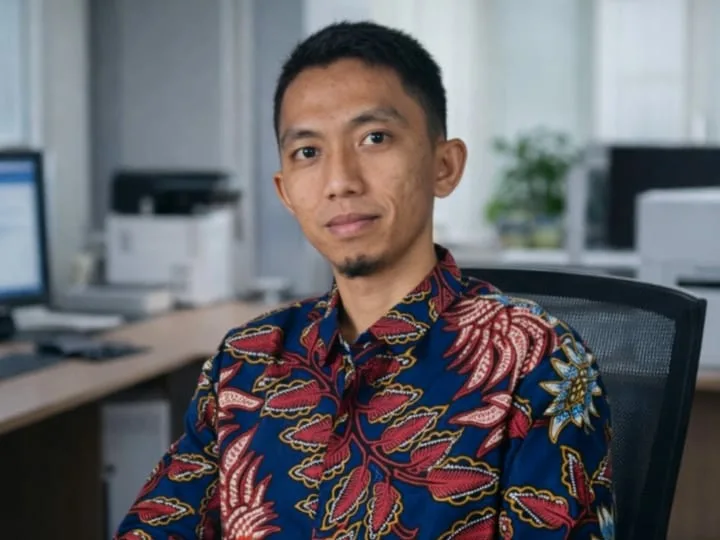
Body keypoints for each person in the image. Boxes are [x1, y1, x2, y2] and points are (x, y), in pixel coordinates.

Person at [115, 20, 614, 540]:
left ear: (444, 166)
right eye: (308, 152)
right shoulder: (245, 360)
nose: (340, 181)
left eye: (375, 138)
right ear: (286, 193)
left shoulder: (535, 360)